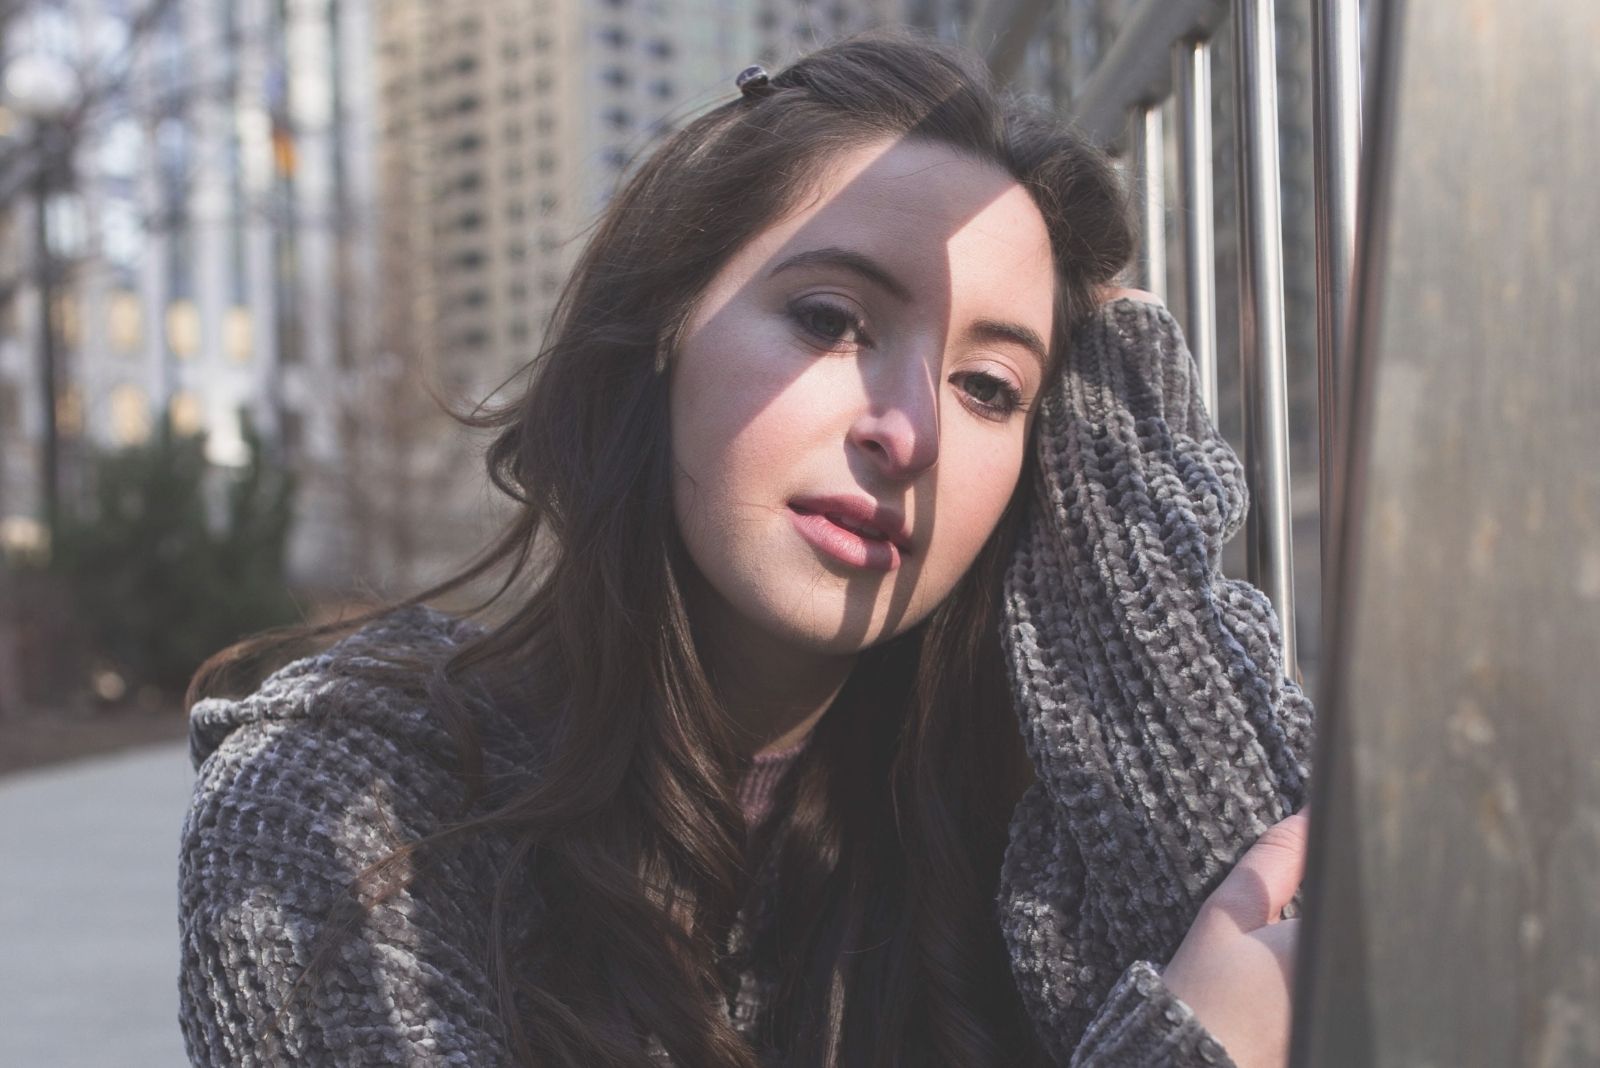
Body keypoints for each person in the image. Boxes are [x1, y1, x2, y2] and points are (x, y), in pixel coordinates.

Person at [177, 28, 1313, 1068]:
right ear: (665, 324)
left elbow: (1278, 918)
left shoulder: (1012, 840)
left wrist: (1121, 551)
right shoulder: (339, 806)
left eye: (988, 387)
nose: (908, 430)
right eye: (829, 320)